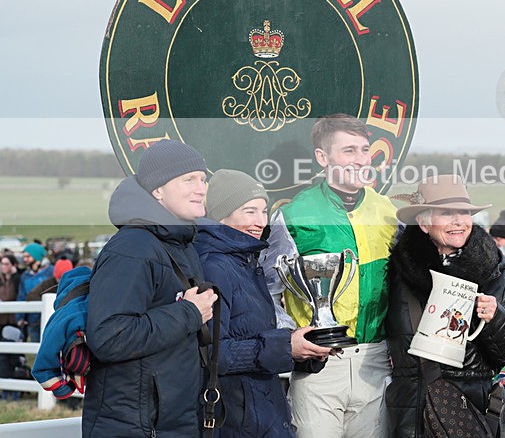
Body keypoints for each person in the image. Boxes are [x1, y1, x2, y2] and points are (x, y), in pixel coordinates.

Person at [265, 114, 398, 438]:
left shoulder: (388, 212)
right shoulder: (294, 214)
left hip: (375, 361)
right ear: (323, 158)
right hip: (319, 365)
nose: (361, 160)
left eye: (364, 150)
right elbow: (268, 290)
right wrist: (293, 338)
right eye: (349, 151)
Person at [83, 139, 218, 437]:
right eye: (188, 179)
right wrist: (189, 313)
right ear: (158, 190)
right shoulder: (134, 247)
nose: (201, 187)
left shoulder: (179, 242)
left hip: (172, 420)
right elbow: (108, 336)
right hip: (136, 426)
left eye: (202, 178)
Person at [386, 174, 505, 437]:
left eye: (464, 213)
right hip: (408, 415)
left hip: (469, 414)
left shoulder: (495, 276)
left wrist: (496, 318)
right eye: (446, 213)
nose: (459, 222)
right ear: (423, 223)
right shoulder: (397, 276)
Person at [196, 169, 333, 437]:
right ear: (221, 215)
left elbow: (255, 339)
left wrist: (306, 350)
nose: (261, 221)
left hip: (264, 414)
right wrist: (286, 347)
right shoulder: (214, 267)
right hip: (235, 421)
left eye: (264, 210)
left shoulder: (249, 263)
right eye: (249, 211)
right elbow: (212, 355)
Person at [15, 242, 53, 342]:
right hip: (32, 320)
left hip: (49, 318)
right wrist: (20, 317)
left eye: (28, 256)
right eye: (24, 256)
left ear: (36, 256)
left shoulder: (51, 272)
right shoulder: (25, 275)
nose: (25, 259)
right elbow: (22, 296)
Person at [0, 253, 21, 327]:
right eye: (2, 264)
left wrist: (13, 275)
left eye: (6, 264)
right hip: (2, 317)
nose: (3, 266)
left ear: (13, 265)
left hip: (13, 317)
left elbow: (9, 295)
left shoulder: (17, 278)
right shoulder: (1, 278)